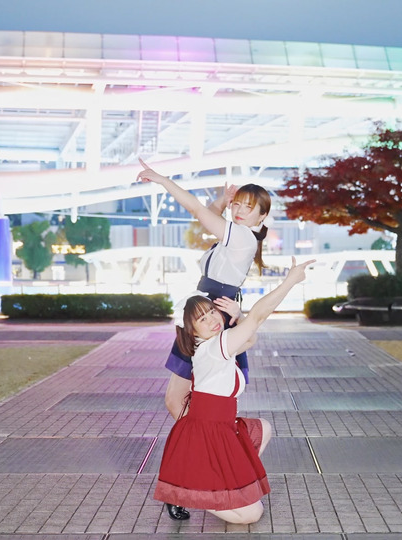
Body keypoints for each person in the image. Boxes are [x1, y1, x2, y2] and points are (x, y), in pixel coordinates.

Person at [137, 158, 272, 520]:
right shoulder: (235, 237)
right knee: (181, 403)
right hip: (206, 317)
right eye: (238, 204)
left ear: (261, 217)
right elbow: (207, 219)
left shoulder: (241, 236)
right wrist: (222, 201)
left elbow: (197, 211)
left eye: (248, 207)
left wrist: (162, 179)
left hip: (210, 322)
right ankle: (198, 477)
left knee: (179, 401)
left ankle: (197, 480)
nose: (239, 210)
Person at [153, 257, 314, 524]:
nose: (212, 320)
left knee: (263, 429)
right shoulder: (213, 348)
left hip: (221, 429)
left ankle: (215, 486)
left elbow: (249, 338)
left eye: (211, 312)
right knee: (252, 514)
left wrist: (239, 317)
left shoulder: (215, 343)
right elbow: (259, 318)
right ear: (192, 331)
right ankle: (193, 493)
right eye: (202, 319)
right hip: (209, 435)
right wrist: (290, 281)